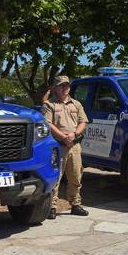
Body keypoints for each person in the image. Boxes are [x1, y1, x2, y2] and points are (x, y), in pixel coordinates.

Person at [41, 75, 89, 219]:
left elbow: (83, 121)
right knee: (56, 177)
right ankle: (52, 206)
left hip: (74, 145)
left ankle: (75, 204)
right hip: (58, 146)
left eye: (67, 85)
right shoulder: (49, 105)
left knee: (76, 176)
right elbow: (48, 124)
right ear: (55, 88)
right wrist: (63, 137)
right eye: (62, 85)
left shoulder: (76, 104)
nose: (65, 88)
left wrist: (74, 134)